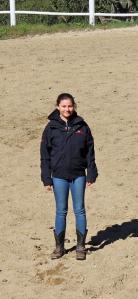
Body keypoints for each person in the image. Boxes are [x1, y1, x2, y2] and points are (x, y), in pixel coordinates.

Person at [40, 93, 98, 260]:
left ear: (74, 107)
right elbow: (45, 155)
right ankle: (59, 247)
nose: (67, 109)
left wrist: (91, 172)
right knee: (61, 210)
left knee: (79, 209)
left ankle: (81, 246)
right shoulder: (50, 128)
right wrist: (46, 177)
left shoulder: (82, 126)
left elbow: (90, 152)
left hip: (79, 175)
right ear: (58, 107)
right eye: (64, 106)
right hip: (58, 176)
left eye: (70, 106)